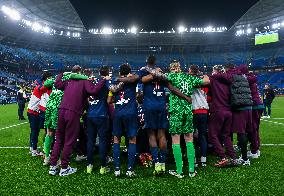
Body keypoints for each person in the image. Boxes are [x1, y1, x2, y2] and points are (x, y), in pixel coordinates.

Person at [149, 61, 209, 178]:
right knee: (189, 139)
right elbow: (206, 82)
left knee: (176, 140)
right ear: (180, 68)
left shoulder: (171, 76)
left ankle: (179, 171)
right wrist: (204, 76)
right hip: (188, 111)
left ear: (172, 69)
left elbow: (157, 75)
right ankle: (191, 171)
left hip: (176, 112)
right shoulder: (189, 77)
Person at [48, 65, 110, 176]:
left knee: (59, 139)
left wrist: (61, 73)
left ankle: (53, 167)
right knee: (69, 140)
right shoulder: (85, 81)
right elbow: (94, 91)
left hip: (61, 111)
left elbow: (57, 84)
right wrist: (103, 80)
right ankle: (64, 168)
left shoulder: (68, 80)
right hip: (73, 113)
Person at [138, 56, 192, 175]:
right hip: (161, 106)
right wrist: (186, 97)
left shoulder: (143, 71)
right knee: (162, 134)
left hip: (149, 106)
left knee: (151, 134)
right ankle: (162, 163)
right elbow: (172, 88)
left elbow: (141, 82)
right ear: (155, 62)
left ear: (147, 62)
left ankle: (157, 163)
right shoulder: (161, 73)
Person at [42, 72, 88, 166]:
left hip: (49, 107)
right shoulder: (69, 77)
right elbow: (78, 76)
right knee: (60, 136)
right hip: (58, 108)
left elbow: (46, 84)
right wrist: (87, 77)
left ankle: (47, 157)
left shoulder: (55, 79)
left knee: (49, 133)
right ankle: (58, 160)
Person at [109, 64, 140, 177]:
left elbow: (109, 99)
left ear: (119, 71)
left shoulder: (115, 82)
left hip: (118, 113)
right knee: (132, 140)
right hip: (130, 112)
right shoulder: (132, 80)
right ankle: (130, 170)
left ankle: (117, 169)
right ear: (129, 71)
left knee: (116, 139)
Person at [208, 65, 237, 167]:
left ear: (216, 71)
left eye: (213, 70)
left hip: (218, 110)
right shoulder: (229, 79)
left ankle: (223, 157)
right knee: (226, 135)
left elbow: (209, 94)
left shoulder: (213, 78)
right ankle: (233, 158)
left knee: (212, 134)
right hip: (229, 111)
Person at [86, 66, 112, 175]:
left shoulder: (92, 80)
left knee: (90, 141)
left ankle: (89, 166)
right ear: (107, 72)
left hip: (90, 114)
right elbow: (109, 100)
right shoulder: (106, 82)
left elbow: (87, 96)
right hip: (101, 115)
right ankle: (103, 167)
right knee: (102, 141)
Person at [189, 65, 210, 167]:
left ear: (190, 71)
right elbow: (207, 80)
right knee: (202, 135)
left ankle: (193, 160)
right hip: (204, 111)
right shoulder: (204, 79)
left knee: (191, 136)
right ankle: (203, 160)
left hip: (194, 111)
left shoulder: (189, 79)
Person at [27, 72, 52, 156]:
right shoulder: (41, 87)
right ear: (46, 79)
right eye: (50, 78)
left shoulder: (42, 87)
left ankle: (32, 148)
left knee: (34, 131)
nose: (51, 80)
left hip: (33, 111)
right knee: (35, 131)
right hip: (33, 112)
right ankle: (34, 151)